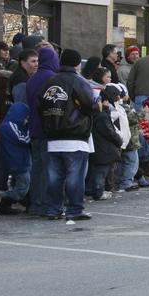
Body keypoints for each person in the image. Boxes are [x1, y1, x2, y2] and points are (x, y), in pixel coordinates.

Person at [41, 48, 98, 221]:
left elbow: (40, 105)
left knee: (54, 177)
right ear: (77, 64)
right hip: (75, 135)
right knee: (75, 177)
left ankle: (53, 209)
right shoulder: (78, 82)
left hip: (52, 136)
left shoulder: (50, 81)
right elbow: (90, 104)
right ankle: (74, 209)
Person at [26, 46, 59, 216]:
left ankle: (35, 203)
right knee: (49, 168)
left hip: (34, 128)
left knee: (37, 168)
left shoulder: (32, 78)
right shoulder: (53, 78)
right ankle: (46, 203)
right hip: (48, 128)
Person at [87, 86, 123, 202]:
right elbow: (109, 132)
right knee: (100, 172)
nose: (108, 103)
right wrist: (118, 140)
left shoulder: (95, 114)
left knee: (100, 171)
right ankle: (97, 192)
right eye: (106, 101)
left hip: (101, 148)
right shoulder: (101, 115)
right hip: (104, 149)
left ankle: (98, 190)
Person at [0, 102, 32, 215]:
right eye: (26, 117)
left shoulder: (7, 124)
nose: (26, 120)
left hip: (15, 160)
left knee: (22, 185)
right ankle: (5, 201)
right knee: (22, 187)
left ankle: (21, 201)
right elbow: (24, 139)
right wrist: (31, 131)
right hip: (17, 162)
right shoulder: (10, 126)